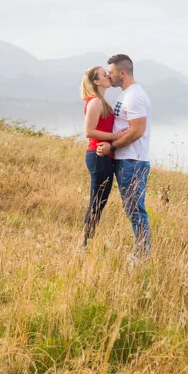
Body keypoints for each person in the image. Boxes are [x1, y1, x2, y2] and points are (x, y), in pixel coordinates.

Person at [96, 53, 152, 261]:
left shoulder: (134, 96)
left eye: (110, 72)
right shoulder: (126, 94)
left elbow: (137, 130)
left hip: (132, 161)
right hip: (126, 160)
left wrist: (112, 146)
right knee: (131, 208)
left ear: (122, 73)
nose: (108, 76)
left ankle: (142, 256)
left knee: (135, 209)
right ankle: (141, 252)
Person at [80, 66, 118, 248]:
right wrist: (116, 137)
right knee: (96, 201)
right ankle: (85, 243)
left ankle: (87, 241)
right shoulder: (95, 102)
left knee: (100, 201)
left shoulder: (102, 101)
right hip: (98, 155)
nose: (108, 76)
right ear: (96, 81)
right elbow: (89, 131)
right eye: (104, 75)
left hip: (104, 155)